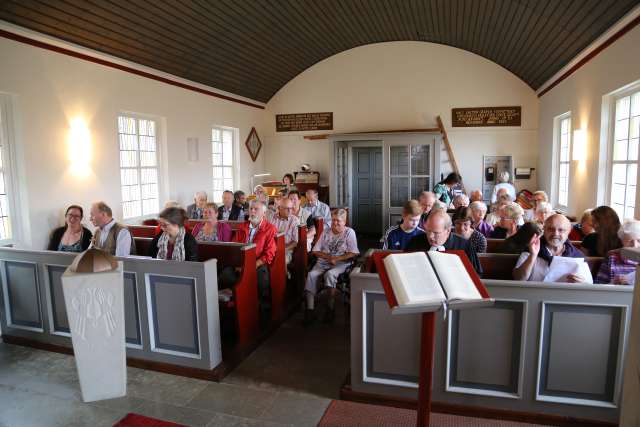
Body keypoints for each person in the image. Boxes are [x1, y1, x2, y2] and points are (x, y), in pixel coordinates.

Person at [221, 200, 277, 314]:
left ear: (264, 213)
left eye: (256, 209)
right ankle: (234, 302)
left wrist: (252, 266)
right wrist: (237, 263)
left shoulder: (270, 228)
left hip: (258, 263)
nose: (252, 211)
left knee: (261, 279)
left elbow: (269, 253)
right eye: (251, 208)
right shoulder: (242, 226)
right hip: (240, 263)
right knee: (225, 275)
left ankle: (259, 305)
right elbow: (233, 246)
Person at [304, 209, 359, 326]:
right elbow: (316, 250)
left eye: (338, 221)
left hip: (342, 263)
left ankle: (330, 308)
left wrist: (336, 259)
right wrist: (329, 257)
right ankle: (310, 310)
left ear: (344, 221)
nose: (335, 223)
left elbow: (354, 253)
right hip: (324, 261)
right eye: (333, 220)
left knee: (330, 274)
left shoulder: (349, 232)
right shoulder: (325, 232)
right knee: (311, 275)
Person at [512, 214, 587, 282]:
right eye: (551, 229)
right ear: (544, 230)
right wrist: (533, 256)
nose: (555, 234)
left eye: (561, 230)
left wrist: (581, 282)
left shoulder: (577, 256)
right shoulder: (531, 249)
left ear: (569, 232)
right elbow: (519, 279)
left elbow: (588, 283)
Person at [406, 210, 482, 273]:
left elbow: (476, 274)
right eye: (428, 231)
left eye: (436, 233)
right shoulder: (415, 242)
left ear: (448, 231)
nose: (430, 236)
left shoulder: (465, 246)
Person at [596, 219, 640, 284]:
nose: (635, 245)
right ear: (622, 241)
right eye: (630, 241)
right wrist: (613, 283)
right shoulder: (612, 258)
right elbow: (599, 284)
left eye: (639, 241)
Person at [269, 197, 300, 264]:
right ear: (279, 208)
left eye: (291, 208)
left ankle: (285, 274)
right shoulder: (272, 218)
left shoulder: (294, 220)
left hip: (286, 250)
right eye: (287, 208)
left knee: (279, 259)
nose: (290, 211)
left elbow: (296, 241)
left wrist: (283, 249)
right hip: (271, 248)